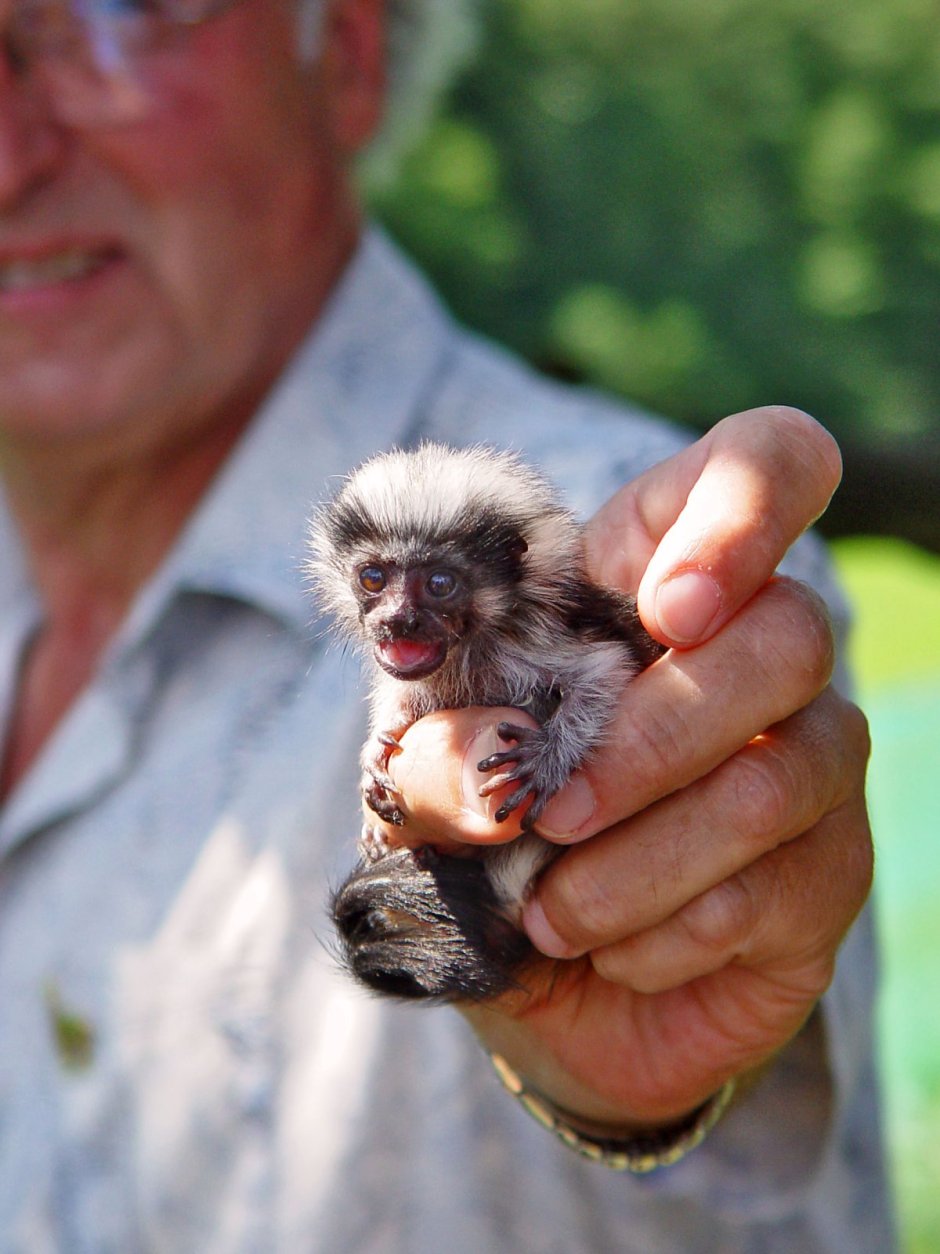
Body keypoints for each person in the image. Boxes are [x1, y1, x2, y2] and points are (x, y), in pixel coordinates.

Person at [0, 1, 895, 1250]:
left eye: (113, 12)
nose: (9, 153)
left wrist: (634, 1058)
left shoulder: (634, 545)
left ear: (347, 51)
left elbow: (702, 971)